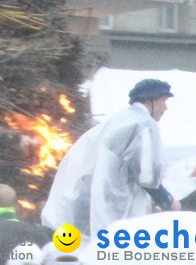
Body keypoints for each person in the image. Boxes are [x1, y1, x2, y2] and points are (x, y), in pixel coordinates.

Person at [41, 78, 180, 237]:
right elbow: (147, 176)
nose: (166, 107)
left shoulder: (120, 119)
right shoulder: (145, 124)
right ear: (150, 100)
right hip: (115, 212)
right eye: (163, 100)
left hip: (88, 207)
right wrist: (167, 200)